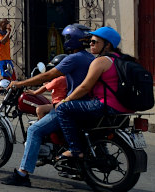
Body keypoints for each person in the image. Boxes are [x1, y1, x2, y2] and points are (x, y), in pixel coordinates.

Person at [0, 24, 95, 187]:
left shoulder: (74, 58)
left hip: (72, 106)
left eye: (66, 38)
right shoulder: (90, 58)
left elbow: (49, 75)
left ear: (71, 40)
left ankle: (23, 174)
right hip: (86, 104)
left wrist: (20, 83)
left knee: (34, 130)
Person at [56, 26, 133, 161]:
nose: (90, 44)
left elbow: (85, 87)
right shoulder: (122, 59)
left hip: (105, 105)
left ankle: (75, 149)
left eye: (94, 42)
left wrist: (66, 100)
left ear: (107, 45)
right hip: (124, 107)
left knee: (63, 108)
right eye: (90, 41)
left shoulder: (100, 61)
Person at [0, 19, 15, 96]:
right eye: (5, 23)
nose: (7, 24)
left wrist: (8, 32)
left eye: (7, 23)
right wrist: (8, 32)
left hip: (7, 57)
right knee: (5, 76)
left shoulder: (5, 33)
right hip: (2, 58)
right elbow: (2, 41)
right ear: (1, 24)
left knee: (11, 75)